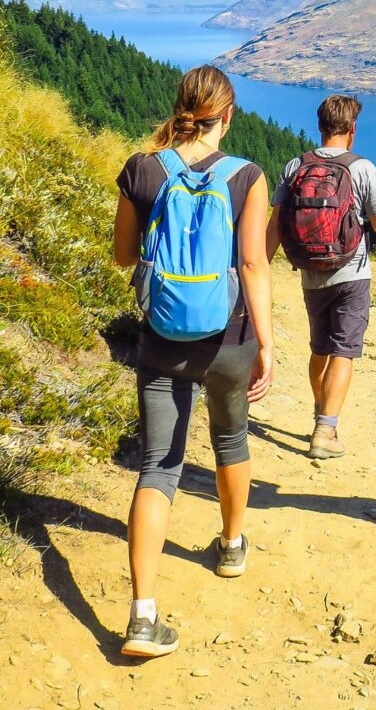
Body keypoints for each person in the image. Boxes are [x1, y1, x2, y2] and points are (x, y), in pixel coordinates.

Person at [113, 65, 273, 657]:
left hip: (161, 336)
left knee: (159, 465)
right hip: (229, 337)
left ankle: (142, 616)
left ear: (181, 108)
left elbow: (123, 254)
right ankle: (231, 545)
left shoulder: (142, 169)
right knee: (231, 440)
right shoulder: (247, 177)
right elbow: (254, 266)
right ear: (226, 115)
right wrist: (267, 342)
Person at [266, 95, 376, 459]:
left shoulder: (295, 167)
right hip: (352, 272)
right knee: (344, 349)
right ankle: (326, 428)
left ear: (320, 127)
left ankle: (320, 412)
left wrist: (256, 268)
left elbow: (276, 224)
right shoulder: (362, 168)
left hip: (311, 273)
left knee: (319, 348)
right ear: (352, 130)